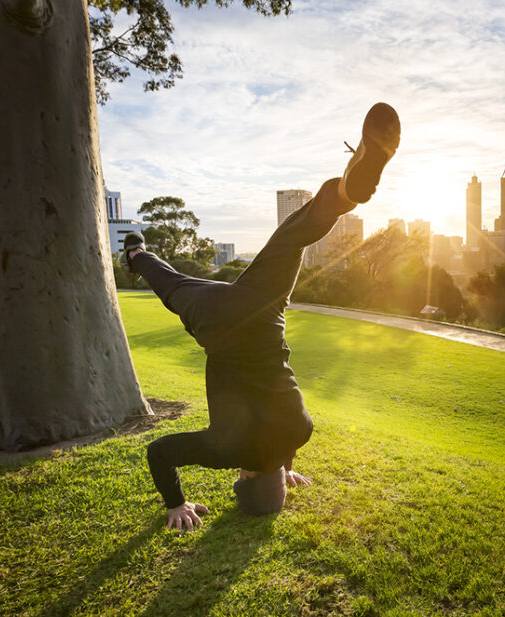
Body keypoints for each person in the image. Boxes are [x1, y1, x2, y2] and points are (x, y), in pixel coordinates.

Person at [123, 103, 401, 531]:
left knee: (294, 234)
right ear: (247, 477)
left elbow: (282, 440)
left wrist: (282, 465)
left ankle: (348, 192)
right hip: (220, 322)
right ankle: (137, 253)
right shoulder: (225, 452)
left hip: (263, 307)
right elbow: (158, 452)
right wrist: (175, 504)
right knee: (172, 285)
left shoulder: (300, 432)